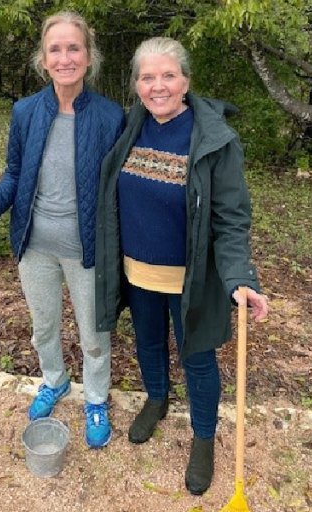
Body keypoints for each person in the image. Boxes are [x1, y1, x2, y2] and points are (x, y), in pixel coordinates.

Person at [95, 37, 270, 495]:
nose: (158, 87)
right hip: (137, 272)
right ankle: (156, 399)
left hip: (191, 280)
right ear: (136, 85)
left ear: (186, 82)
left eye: (168, 76)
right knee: (148, 343)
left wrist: (239, 278)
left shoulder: (213, 139)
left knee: (198, 359)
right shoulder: (132, 125)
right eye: (148, 77)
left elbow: (232, 219)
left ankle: (204, 438)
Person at [0, 11, 124, 448]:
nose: (65, 57)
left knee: (94, 335)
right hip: (34, 246)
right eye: (55, 49)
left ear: (89, 57)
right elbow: (15, 174)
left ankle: (95, 398)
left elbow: (118, 189)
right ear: (43, 58)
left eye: (74, 48)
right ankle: (54, 381)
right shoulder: (26, 111)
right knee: (44, 328)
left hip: (86, 249)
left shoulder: (111, 117)